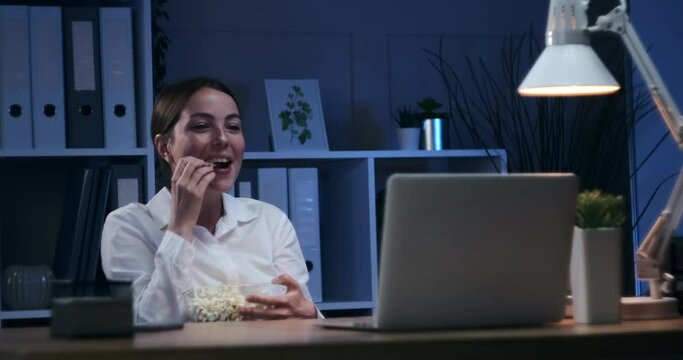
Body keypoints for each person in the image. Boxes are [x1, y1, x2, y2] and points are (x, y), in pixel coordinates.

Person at [101, 76, 319, 324]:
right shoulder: (128, 225)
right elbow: (148, 323)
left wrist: (309, 311)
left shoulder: (271, 221)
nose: (223, 139)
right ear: (164, 148)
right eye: (202, 126)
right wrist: (181, 226)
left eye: (233, 127)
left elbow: (306, 318)